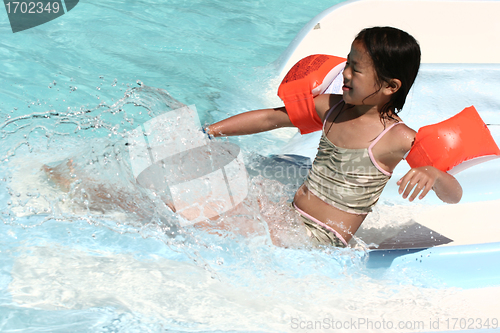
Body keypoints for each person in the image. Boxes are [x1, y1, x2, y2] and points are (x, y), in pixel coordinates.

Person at [204, 26, 463, 247]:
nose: (346, 73)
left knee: (210, 224)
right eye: (348, 63)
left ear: (390, 86)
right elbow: (271, 118)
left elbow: (453, 196)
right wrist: (211, 132)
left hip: (320, 239)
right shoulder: (332, 107)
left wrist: (435, 174)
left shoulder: (397, 137)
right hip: (290, 216)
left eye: (357, 69)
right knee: (216, 201)